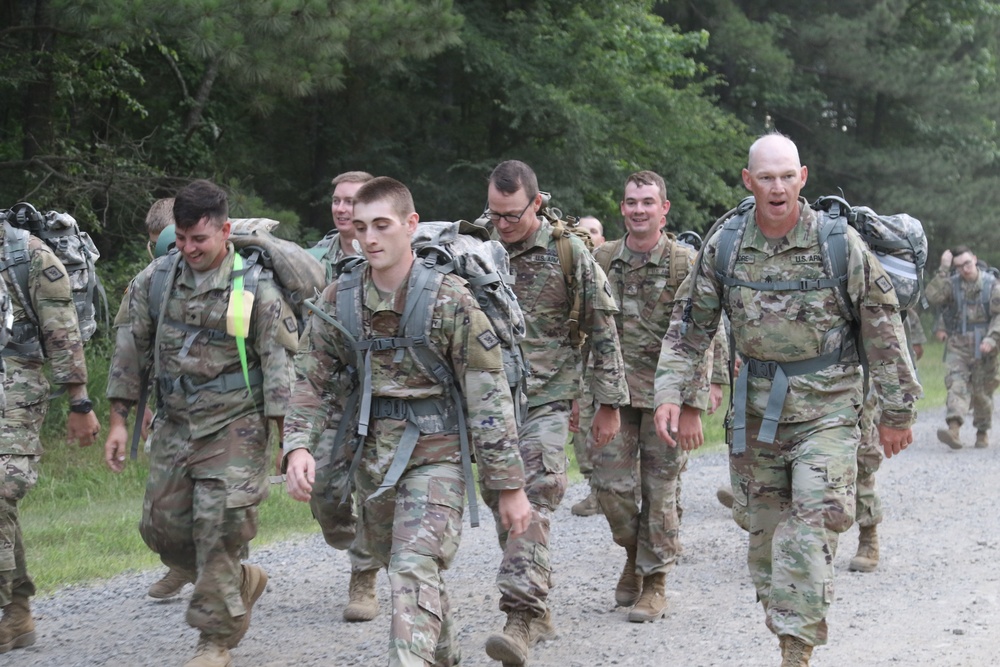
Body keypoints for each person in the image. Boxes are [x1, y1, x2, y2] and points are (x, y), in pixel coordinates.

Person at [654, 133, 920, 666]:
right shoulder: (726, 243)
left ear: (803, 177)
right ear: (749, 182)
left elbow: (882, 327)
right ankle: (788, 629)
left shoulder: (838, 243)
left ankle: (795, 652)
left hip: (830, 411)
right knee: (765, 538)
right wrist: (672, 392)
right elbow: (691, 326)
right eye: (765, 178)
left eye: (786, 176)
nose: (777, 187)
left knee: (813, 521)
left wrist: (897, 410)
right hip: (756, 417)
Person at [282, 176, 531, 666]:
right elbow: (311, 378)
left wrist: (509, 486)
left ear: (410, 225)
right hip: (370, 459)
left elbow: (488, 396)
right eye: (359, 228)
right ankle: (443, 650)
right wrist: (298, 446)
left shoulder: (449, 299)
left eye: (381, 225)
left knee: (413, 568)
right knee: (397, 563)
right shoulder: (339, 299)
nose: (369, 238)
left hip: (436, 458)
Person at [104, 180, 298, 666]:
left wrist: (287, 442)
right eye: (182, 238)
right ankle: (237, 581)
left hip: (237, 424)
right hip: (174, 422)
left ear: (225, 230)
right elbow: (130, 351)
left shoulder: (253, 287)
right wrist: (119, 421)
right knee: (162, 529)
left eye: (200, 239)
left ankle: (214, 641)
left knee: (218, 527)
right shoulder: (156, 280)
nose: (189, 249)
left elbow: (278, 366)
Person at [482, 160, 628, 666]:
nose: (503, 224)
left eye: (513, 214)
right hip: (490, 403)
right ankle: (536, 596)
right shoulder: (478, 250)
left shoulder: (569, 253)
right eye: (495, 213)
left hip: (547, 399)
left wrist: (608, 404)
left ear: (537, 203)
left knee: (537, 497)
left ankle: (520, 618)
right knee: (504, 502)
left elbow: (603, 329)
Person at [588, 171, 715, 623]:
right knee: (610, 489)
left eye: (647, 202)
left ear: (664, 209)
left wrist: (695, 404)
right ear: (621, 209)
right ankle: (632, 553)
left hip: (668, 398)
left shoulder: (685, 262)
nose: (638, 209)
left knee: (660, 493)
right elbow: (586, 330)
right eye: (631, 202)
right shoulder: (600, 258)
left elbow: (699, 335)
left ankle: (655, 581)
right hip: (614, 397)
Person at [0, 212, 100, 655]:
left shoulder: (28, 255)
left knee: (3, 488)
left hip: (16, 389)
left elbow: (63, 333)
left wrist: (79, 402)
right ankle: (17, 610)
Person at [307, 170, 384, 622]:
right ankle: (360, 539)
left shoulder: (393, 251)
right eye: (336, 200)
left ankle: (365, 576)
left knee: (373, 486)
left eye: (351, 200)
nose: (341, 208)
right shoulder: (313, 259)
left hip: (387, 394)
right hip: (335, 393)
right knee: (325, 490)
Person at [850, 306, 926, 573]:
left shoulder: (856, 264)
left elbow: (884, 332)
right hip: (796, 376)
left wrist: (897, 410)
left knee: (862, 452)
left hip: (855, 370)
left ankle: (868, 534)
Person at [925, 246, 1000, 449]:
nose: (964, 269)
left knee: (982, 391)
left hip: (985, 346)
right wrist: (943, 268)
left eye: (967, 264)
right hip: (958, 345)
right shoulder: (952, 284)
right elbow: (931, 297)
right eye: (958, 267)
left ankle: (982, 431)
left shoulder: (992, 285)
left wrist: (992, 339)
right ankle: (954, 429)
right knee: (956, 385)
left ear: (974, 259)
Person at [569, 214, 606, 517]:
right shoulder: (570, 270)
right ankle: (596, 491)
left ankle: (616, 489)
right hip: (580, 369)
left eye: (593, 231)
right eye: (583, 232)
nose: (589, 236)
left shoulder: (611, 267)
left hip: (609, 368)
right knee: (581, 430)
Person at [313, 171, 374, 281]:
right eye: (336, 201)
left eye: (349, 202)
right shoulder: (316, 257)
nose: (340, 209)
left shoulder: (381, 255)